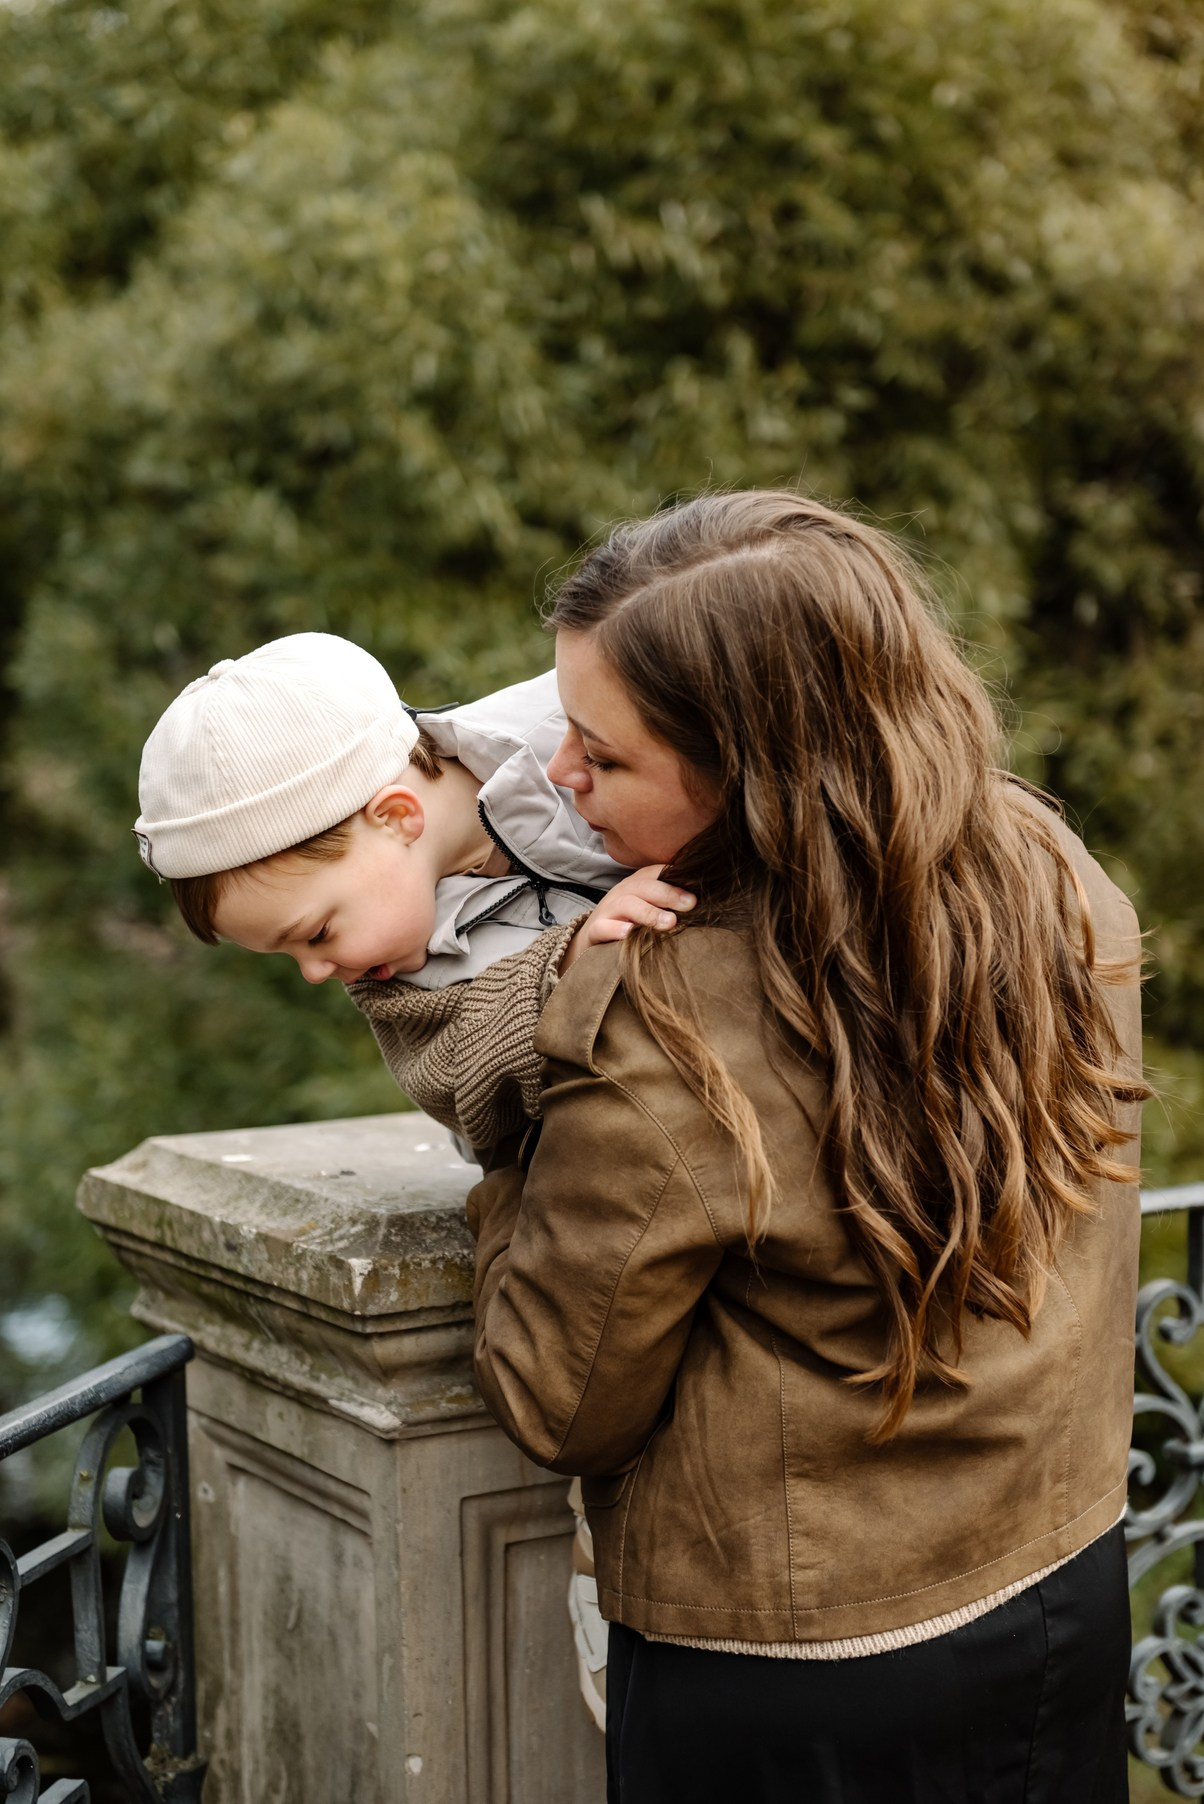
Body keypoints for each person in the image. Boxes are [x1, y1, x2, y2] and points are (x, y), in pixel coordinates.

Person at [467, 490, 1147, 1802]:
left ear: (748, 768)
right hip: (1065, 1580)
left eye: (602, 759)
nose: (558, 778)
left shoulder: (662, 1029)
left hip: (797, 1672)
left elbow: (560, 1398)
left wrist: (519, 1149)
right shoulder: (1055, 871)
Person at [134, 628, 693, 1727]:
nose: (317, 970)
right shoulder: (395, 962)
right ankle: (614, 1565)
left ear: (394, 817)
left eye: (314, 932)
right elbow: (454, 1072)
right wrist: (567, 971)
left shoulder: (577, 730)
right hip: (598, 1162)